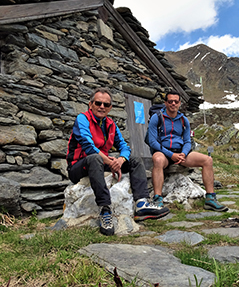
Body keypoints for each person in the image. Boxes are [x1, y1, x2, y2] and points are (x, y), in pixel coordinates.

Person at [67, 87, 169, 236]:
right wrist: (110, 162)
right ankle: (105, 210)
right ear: (91, 104)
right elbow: (88, 147)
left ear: (110, 108)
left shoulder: (110, 124)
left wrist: (120, 160)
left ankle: (141, 203)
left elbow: (124, 146)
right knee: (94, 158)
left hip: (100, 163)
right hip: (78, 166)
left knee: (134, 159)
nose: (102, 107)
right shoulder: (82, 119)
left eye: (106, 104)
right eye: (98, 103)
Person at [147, 91, 228, 212]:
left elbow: (187, 141)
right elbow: (152, 142)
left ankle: (210, 198)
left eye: (176, 101)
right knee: (157, 160)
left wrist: (183, 154)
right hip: (163, 152)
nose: (173, 104)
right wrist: (171, 155)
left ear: (180, 103)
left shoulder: (183, 120)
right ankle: (157, 199)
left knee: (207, 160)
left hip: (180, 153)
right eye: (170, 101)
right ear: (165, 103)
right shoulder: (157, 118)